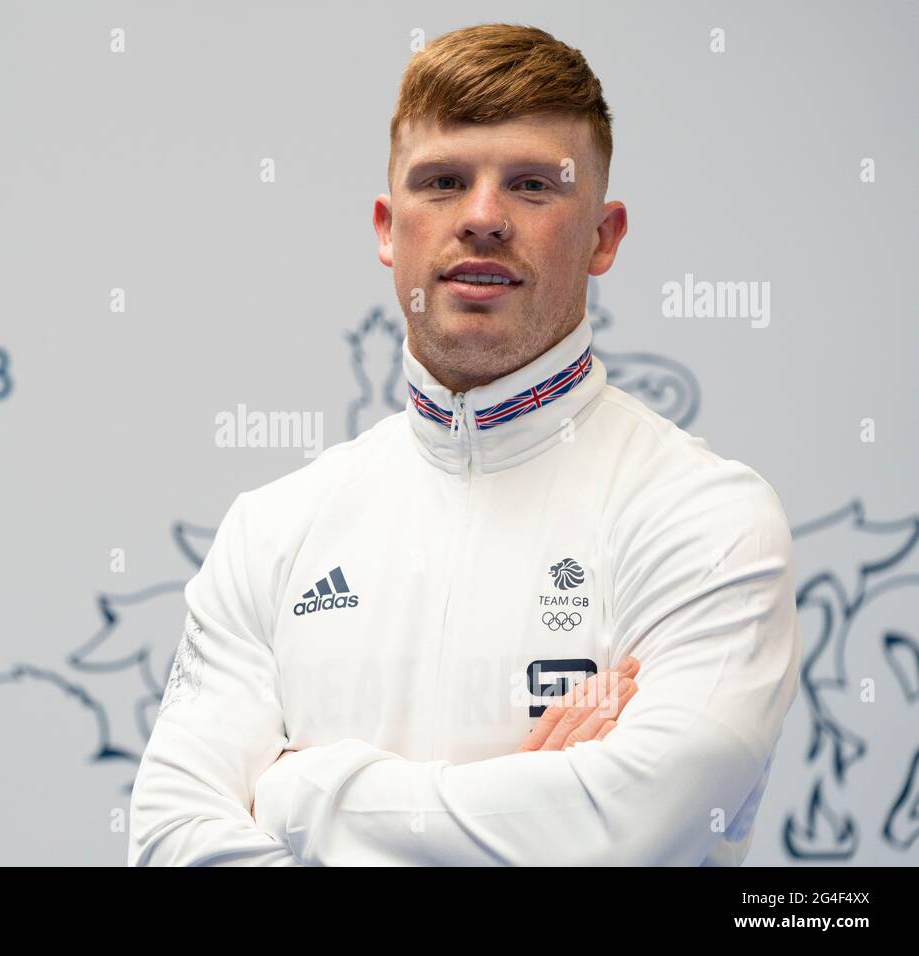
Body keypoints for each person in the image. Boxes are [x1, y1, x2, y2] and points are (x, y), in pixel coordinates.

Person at [127, 23, 801, 866]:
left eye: (530, 186)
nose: (482, 218)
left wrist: (301, 793)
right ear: (387, 227)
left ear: (604, 235)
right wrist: (527, 816)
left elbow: (620, 834)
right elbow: (170, 842)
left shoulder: (707, 520)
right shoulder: (272, 529)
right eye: (443, 182)